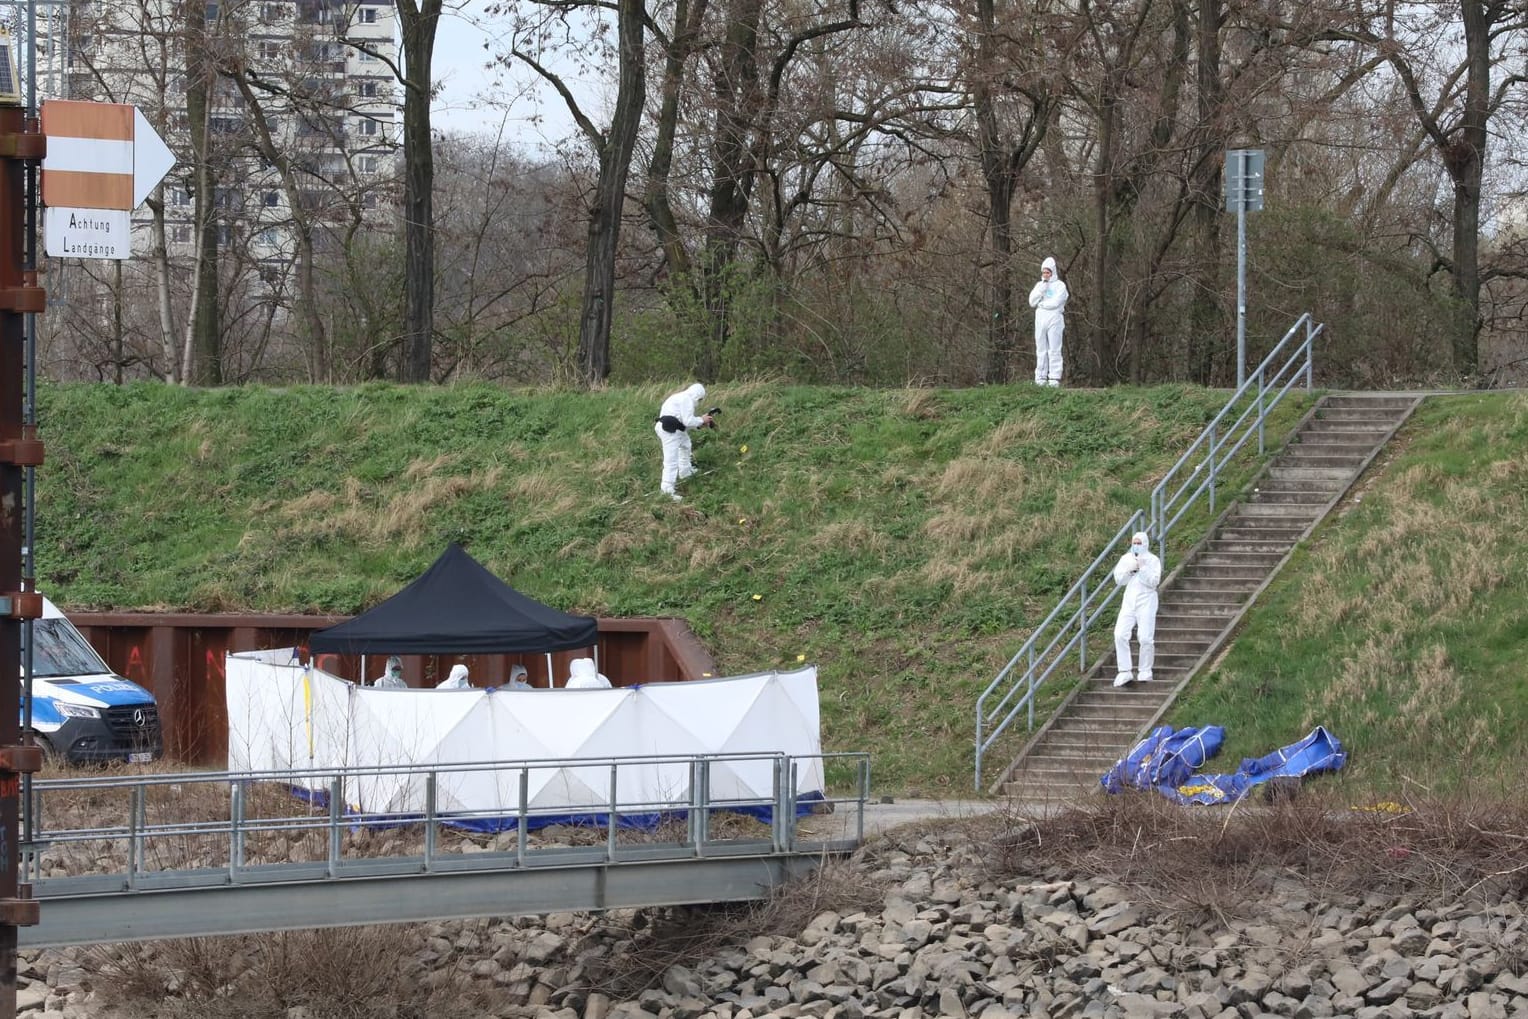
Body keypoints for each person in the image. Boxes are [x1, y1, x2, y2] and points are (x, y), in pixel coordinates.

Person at [1112, 531, 1162, 687]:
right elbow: (1119, 579)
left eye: (1139, 543)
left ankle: (1145, 670)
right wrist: (1130, 570)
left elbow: (1154, 581)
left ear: (1145, 543)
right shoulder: (1126, 559)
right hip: (1129, 601)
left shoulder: (1153, 560)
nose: (1136, 545)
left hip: (1146, 600)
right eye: (1134, 542)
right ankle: (1125, 671)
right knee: (1120, 634)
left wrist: (1142, 568)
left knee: (1145, 637)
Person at [654, 383, 714, 502]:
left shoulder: (681, 397)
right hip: (669, 430)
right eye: (700, 399)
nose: (700, 402)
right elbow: (687, 421)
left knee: (686, 445)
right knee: (671, 461)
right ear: (698, 396)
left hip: (674, 428)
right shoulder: (687, 400)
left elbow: (682, 421)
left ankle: (685, 471)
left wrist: (700, 424)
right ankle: (667, 490)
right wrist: (701, 419)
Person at [1028, 256, 1069, 387]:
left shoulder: (1060, 286)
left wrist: (1042, 304)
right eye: (1044, 272)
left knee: (1054, 348)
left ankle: (1054, 377)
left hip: (1054, 319)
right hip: (1040, 319)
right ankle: (1040, 377)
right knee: (1041, 349)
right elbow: (1032, 301)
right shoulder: (1039, 286)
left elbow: (1057, 302)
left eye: (1048, 272)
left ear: (1053, 272)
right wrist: (1041, 290)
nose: (1046, 275)